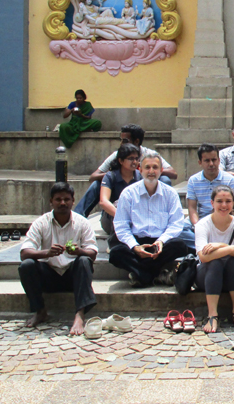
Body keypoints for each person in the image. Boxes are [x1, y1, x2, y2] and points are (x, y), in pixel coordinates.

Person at [18, 182, 98, 336]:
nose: (63, 203)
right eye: (58, 199)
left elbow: (93, 253)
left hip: (73, 276)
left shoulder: (82, 223)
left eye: (67, 199)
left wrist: (78, 251)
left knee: (83, 260)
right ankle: (40, 311)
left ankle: (80, 314)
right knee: (26, 265)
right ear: (51, 201)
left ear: (73, 201)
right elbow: (24, 253)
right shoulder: (41, 223)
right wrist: (46, 253)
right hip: (49, 274)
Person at [109, 150, 188, 287]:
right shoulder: (128, 193)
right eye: (147, 167)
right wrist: (135, 247)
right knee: (116, 253)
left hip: (160, 242)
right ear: (140, 169)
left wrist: (161, 241)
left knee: (180, 245)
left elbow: (176, 223)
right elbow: (121, 225)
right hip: (137, 241)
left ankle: (141, 275)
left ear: (161, 170)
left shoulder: (170, 194)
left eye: (155, 167)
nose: (151, 171)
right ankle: (156, 274)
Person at [74, 124, 177, 218]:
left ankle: (161, 213)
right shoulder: (118, 155)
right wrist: (116, 173)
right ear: (121, 160)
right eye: (130, 159)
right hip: (116, 198)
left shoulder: (149, 155)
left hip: (139, 199)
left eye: (125, 140)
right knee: (97, 184)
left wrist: (149, 171)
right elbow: (93, 176)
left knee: (164, 179)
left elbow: (173, 173)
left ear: (136, 141)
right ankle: (78, 217)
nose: (121, 143)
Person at [194, 185, 234, 333]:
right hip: (206, 276)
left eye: (228, 201)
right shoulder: (202, 224)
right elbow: (203, 257)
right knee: (216, 262)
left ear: (233, 203)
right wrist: (232, 249)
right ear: (212, 203)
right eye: (219, 201)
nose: (224, 205)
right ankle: (212, 315)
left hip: (231, 276)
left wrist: (220, 245)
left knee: (233, 262)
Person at [176, 144, 234, 250]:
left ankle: (204, 247)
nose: (211, 164)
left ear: (219, 160)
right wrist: (198, 226)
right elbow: (192, 208)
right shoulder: (193, 180)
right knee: (179, 229)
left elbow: (230, 207)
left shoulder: (229, 179)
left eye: (214, 160)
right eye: (207, 161)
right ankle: (211, 247)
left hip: (222, 218)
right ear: (200, 162)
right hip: (201, 220)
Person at [97, 144, 143, 243]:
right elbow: (103, 201)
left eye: (136, 158)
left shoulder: (140, 177)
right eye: (131, 159)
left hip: (134, 218)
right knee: (119, 203)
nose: (135, 162)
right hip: (111, 218)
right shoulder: (110, 176)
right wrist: (121, 215)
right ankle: (114, 242)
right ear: (121, 161)